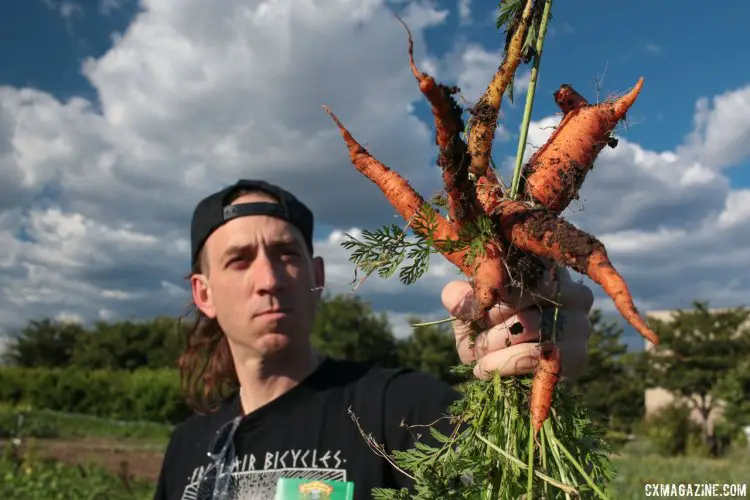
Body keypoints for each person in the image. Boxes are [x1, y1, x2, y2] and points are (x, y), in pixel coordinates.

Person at [153, 179, 593, 500]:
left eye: (287, 254)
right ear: (203, 293)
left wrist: (530, 390)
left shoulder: (403, 411)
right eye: (238, 260)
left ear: (317, 277)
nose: (268, 279)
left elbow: (511, 488)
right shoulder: (186, 448)